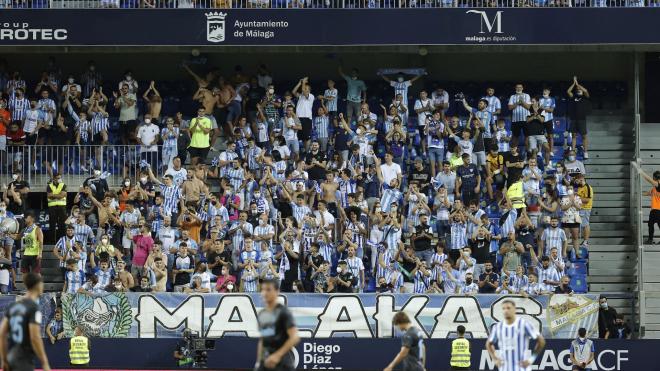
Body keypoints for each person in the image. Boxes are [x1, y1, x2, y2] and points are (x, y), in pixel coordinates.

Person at [0, 272, 51, 371]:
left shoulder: (13, 306)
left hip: (11, 357)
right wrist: (44, 362)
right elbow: (35, 337)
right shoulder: (34, 308)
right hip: (24, 361)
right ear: (38, 285)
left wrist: (4, 359)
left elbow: (2, 334)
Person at [486, 300, 546, 371]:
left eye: (508, 308)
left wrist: (531, 359)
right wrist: (495, 359)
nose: (506, 311)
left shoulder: (524, 324)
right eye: (503, 308)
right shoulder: (498, 327)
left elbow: (541, 341)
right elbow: (489, 344)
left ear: (514, 309)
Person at [255, 279, 300, 371]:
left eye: (268, 289)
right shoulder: (262, 314)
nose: (264, 293)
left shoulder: (283, 313)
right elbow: (263, 339)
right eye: (263, 290)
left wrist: (277, 356)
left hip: (283, 362)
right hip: (266, 361)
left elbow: (295, 337)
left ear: (277, 291)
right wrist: (259, 361)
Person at [632, 162, 660, 244]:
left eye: (654, 178)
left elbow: (650, 180)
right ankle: (650, 240)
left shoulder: (659, 185)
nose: (653, 179)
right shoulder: (654, 188)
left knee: (654, 224)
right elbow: (647, 193)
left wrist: (641, 172)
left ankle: (650, 239)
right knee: (650, 224)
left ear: (656, 178)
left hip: (658, 210)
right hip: (654, 210)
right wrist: (637, 193)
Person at [566, 76, 591, 159]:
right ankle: (573, 152)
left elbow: (586, 91)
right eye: (578, 89)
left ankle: (585, 152)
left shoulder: (585, 97)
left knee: (584, 136)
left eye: (580, 89)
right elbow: (568, 91)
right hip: (573, 119)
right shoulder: (574, 97)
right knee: (573, 136)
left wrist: (578, 84)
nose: (579, 90)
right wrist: (574, 84)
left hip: (582, 119)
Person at [46, 172, 67, 243]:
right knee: (52, 225)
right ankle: (52, 242)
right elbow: (49, 195)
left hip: (62, 208)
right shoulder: (49, 186)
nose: (59, 179)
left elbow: (62, 195)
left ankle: (63, 241)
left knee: (62, 225)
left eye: (60, 178)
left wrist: (54, 195)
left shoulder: (63, 185)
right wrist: (59, 195)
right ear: (54, 179)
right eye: (58, 178)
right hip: (52, 208)